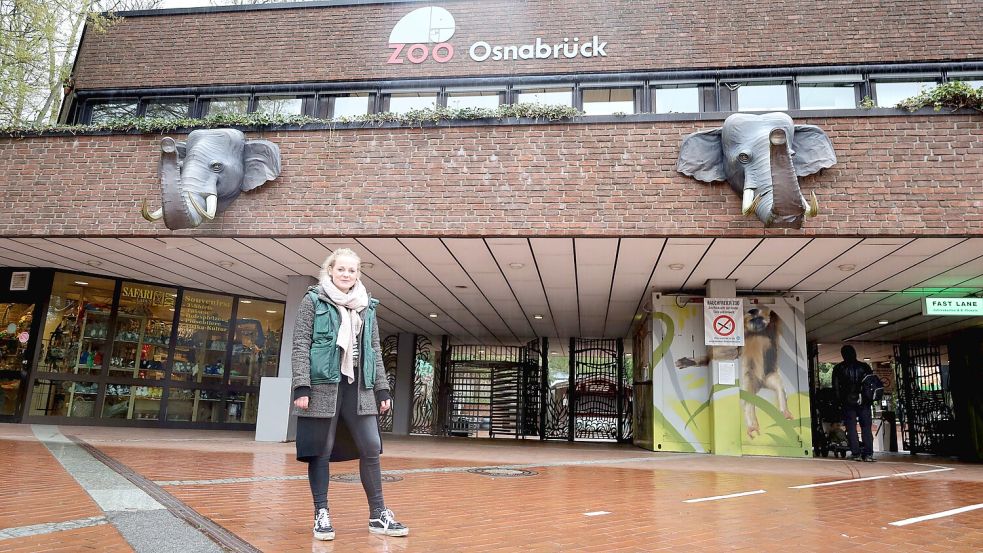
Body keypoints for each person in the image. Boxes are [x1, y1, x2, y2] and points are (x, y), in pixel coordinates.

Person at [291, 248, 408, 541]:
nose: (346, 275)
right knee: (322, 448)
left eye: (352, 270)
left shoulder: (366, 306)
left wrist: (382, 388)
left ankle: (378, 514)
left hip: (360, 386)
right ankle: (321, 513)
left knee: (371, 446)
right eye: (341, 269)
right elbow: (300, 344)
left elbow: (374, 351)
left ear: (358, 275)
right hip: (322, 385)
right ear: (331, 270)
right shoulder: (313, 300)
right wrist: (301, 386)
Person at [831, 345, 875, 462]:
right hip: (864, 401)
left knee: (851, 428)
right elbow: (871, 384)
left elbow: (835, 388)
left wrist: (838, 403)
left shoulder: (839, 368)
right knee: (866, 427)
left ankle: (856, 453)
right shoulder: (864, 367)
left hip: (847, 401)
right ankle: (868, 453)